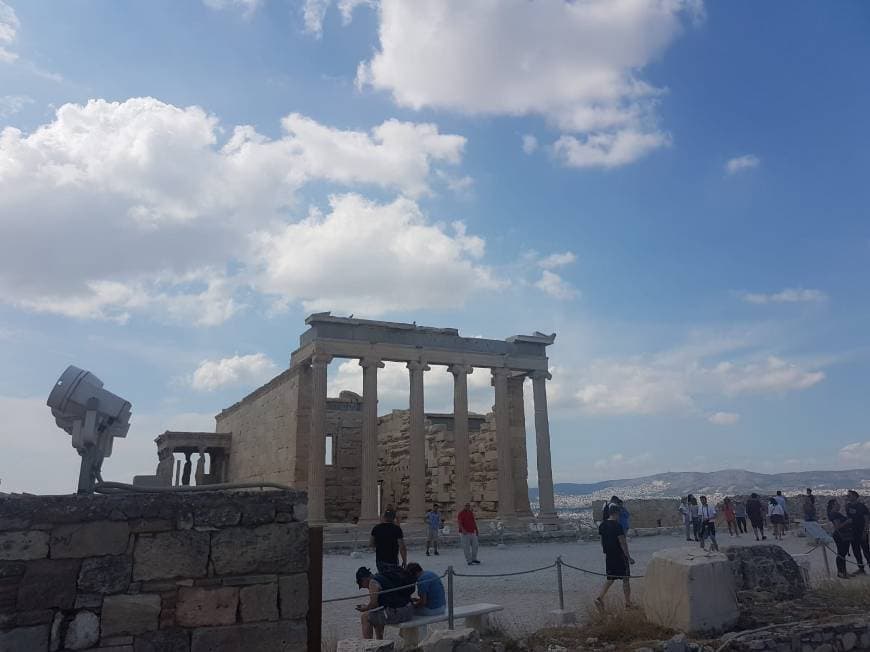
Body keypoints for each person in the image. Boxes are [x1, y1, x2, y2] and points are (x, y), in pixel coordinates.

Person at [355, 566, 415, 639]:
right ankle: (379, 641)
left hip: (399, 613)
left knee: (365, 617)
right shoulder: (382, 576)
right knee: (377, 614)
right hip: (409, 610)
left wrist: (365, 608)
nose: (364, 587)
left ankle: (367, 645)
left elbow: (374, 604)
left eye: (362, 585)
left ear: (363, 579)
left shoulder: (373, 582)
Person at [595, 505, 634, 610]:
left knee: (610, 578)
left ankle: (600, 597)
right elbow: (623, 543)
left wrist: (606, 550)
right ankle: (628, 603)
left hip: (609, 555)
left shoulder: (602, 525)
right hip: (620, 556)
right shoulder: (618, 526)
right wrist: (629, 557)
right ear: (616, 513)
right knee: (626, 578)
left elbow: (601, 541)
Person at [370, 509, 407, 573]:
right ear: (393, 518)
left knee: (383, 578)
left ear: (384, 517)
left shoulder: (376, 528)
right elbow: (402, 547)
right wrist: (404, 560)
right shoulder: (397, 529)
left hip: (380, 560)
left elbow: (371, 544)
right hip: (393, 560)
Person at [844, 490, 870, 575]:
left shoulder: (861, 506)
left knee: (866, 551)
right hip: (853, 532)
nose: (848, 497)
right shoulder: (847, 506)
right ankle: (861, 568)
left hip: (861, 531)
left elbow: (866, 520)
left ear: (855, 496)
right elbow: (848, 518)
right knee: (856, 551)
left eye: (849, 495)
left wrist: (865, 531)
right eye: (847, 496)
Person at [827, 498, 853, 579]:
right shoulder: (834, 514)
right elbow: (837, 526)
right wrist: (847, 522)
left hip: (843, 535)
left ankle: (843, 571)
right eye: (837, 504)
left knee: (842, 553)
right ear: (833, 505)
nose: (839, 505)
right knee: (841, 554)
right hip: (840, 536)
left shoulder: (835, 513)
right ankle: (841, 572)